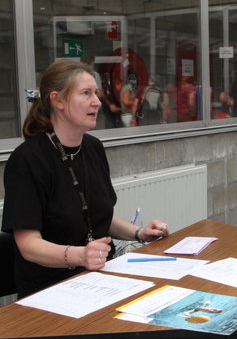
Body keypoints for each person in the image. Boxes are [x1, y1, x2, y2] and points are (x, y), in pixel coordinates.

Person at [1, 59, 169, 299]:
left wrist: (140, 233)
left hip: (100, 279)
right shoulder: (28, 159)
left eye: (97, 94)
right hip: (49, 291)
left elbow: (100, 216)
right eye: (86, 94)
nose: (97, 102)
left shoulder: (93, 147)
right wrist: (80, 255)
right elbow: (28, 245)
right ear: (57, 100)